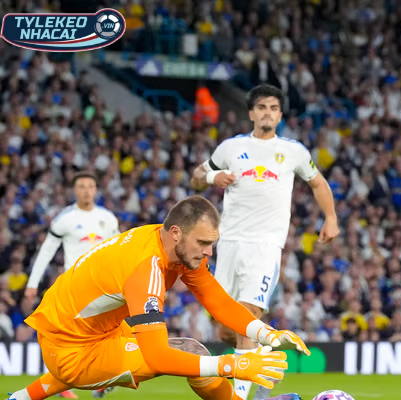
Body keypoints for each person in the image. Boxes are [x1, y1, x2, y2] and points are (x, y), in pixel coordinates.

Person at [7, 196, 310, 400]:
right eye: (203, 243)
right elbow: (158, 357)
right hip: (72, 351)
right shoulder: (146, 268)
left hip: (86, 333)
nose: (209, 253)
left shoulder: (165, 242)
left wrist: (266, 333)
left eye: (212, 244)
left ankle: (20, 398)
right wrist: (233, 366)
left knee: (188, 350)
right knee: (194, 353)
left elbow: (216, 301)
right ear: (177, 232)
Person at [190, 84, 339, 400]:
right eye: (261, 107)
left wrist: (331, 217)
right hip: (228, 243)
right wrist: (211, 178)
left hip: (265, 245)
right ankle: (266, 364)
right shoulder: (230, 148)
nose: (267, 112)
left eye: (273, 108)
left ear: (280, 114)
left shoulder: (293, 151)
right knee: (223, 329)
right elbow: (196, 176)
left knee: (246, 319)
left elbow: (318, 182)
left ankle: (242, 396)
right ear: (251, 113)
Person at [23, 172, 119, 399]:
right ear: (75, 190)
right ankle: (62, 385)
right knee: (63, 335)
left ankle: (102, 380)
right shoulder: (64, 219)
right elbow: (47, 250)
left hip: (103, 285)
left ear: (96, 190)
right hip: (74, 285)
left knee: (109, 333)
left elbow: (117, 251)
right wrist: (32, 283)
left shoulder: (108, 218)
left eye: (90, 186)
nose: (86, 190)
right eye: (81, 186)